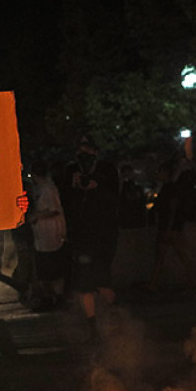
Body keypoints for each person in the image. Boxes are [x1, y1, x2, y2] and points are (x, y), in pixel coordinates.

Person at [60, 135, 120, 342]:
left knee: (103, 281)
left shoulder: (107, 171)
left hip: (104, 235)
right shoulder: (70, 172)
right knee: (84, 282)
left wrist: (97, 188)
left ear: (95, 152)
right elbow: (64, 200)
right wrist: (75, 187)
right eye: (80, 152)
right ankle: (93, 326)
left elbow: (114, 199)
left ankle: (113, 314)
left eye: (88, 151)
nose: (83, 156)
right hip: (81, 236)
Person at [147, 153, 196, 291]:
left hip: (170, 228)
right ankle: (154, 284)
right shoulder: (169, 188)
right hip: (171, 227)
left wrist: (168, 228)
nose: (158, 174)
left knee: (171, 256)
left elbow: (171, 209)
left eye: (160, 172)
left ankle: (154, 284)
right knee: (171, 256)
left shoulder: (170, 189)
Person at [27, 159, 67, 310]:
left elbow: (54, 209)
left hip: (51, 237)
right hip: (43, 238)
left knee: (53, 270)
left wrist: (36, 216)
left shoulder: (48, 188)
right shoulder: (40, 189)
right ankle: (50, 298)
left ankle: (56, 298)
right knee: (45, 271)